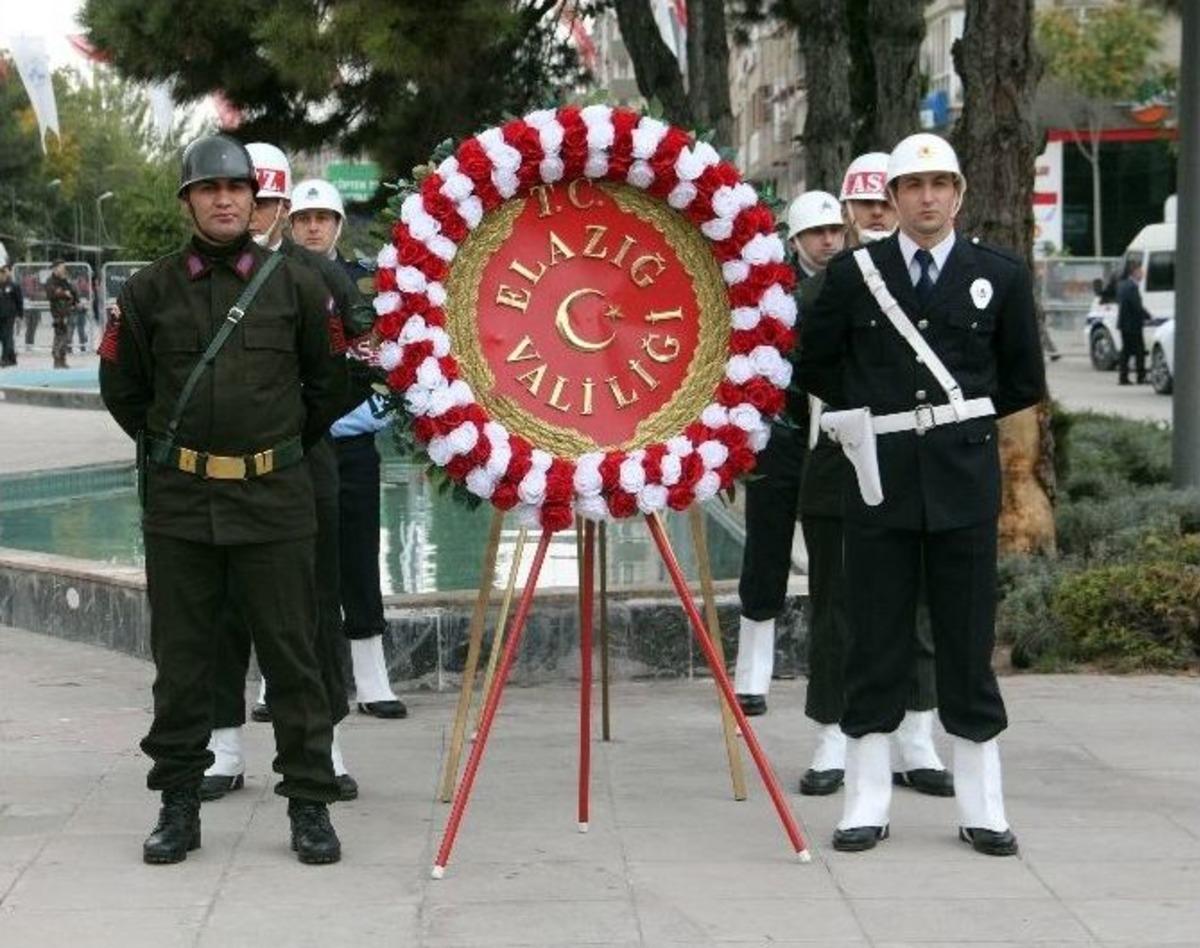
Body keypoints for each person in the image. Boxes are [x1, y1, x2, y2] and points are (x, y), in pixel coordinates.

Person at [98, 133, 348, 865]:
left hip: (274, 501)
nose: (225, 199)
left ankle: (309, 805)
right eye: (209, 189)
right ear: (188, 201)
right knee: (182, 665)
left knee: (294, 659)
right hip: (182, 505)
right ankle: (179, 803)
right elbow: (125, 390)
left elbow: (327, 386)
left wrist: (270, 451)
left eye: (237, 188)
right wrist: (181, 455)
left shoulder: (299, 285)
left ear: (256, 199)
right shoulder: (148, 290)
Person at [798, 133, 1045, 856]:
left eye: (940, 184)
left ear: (959, 193)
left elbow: (1021, 376)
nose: (927, 197)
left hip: (964, 484)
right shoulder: (855, 274)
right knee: (874, 637)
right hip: (878, 483)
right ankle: (867, 799)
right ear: (894, 198)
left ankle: (982, 805)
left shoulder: (996, 274)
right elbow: (816, 364)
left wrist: (947, 423)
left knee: (966, 640)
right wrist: (881, 420)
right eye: (913, 186)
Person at [200, 146, 379, 803]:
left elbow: (362, 362)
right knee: (221, 611)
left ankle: (322, 743)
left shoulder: (320, 277)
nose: (260, 215)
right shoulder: (194, 273)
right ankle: (222, 746)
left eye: (271, 204)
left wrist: (298, 427)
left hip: (303, 470)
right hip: (216, 475)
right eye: (255, 202)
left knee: (311, 608)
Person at [796, 153, 952, 798]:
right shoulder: (830, 285)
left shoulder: (945, 281)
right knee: (838, 604)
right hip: (841, 458)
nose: (877, 217)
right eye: (864, 208)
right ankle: (834, 730)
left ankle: (917, 731)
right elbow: (810, 368)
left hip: (923, 463)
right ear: (849, 213)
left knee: (919, 603)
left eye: (884, 205)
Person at [291, 177, 408, 719]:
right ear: (290, 225)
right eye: (303, 218)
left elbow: (387, 364)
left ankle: (371, 675)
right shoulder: (274, 283)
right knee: (287, 563)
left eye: (322, 218)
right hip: (292, 448)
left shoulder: (367, 287)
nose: (313, 227)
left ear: (338, 225)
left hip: (353, 444)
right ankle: (280, 677)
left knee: (359, 555)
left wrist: (372, 415)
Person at [733, 190, 842, 717]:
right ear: (795, 239)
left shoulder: (851, 284)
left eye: (834, 231)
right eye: (817, 233)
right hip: (780, 434)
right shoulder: (771, 289)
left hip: (834, 434)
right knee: (766, 549)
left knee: (833, 556)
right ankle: (751, 673)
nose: (828, 240)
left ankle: (832, 668)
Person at [1116, 259, 1151, 385]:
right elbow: (1136, 305)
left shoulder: (1122, 285)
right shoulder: (1132, 287)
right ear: (1134, 272)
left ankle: (1123, 377)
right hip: (1132, 324)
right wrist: (1147, 316)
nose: (1142, 274)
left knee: (1126, 351)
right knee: (1139, 351)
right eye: (1140, 271)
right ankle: (1141, 376)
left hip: (1124, 324)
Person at [44, 259, 78, 368]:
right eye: (61, 267)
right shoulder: (50, 281)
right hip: (57, 313)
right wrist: (64, 293)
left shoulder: (65, 280)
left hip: (67, 311)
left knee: (66, 336)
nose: (64, 269)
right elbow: (51, 294)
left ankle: (63, 358)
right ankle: (57, 359)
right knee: (59, 335)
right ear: (55, 268)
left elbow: (73, 293)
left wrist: (68, 288)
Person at [0, 264, 23, 367]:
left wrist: (20, 315)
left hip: (9, 316)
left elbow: (19, 301)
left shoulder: (14, 286)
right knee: (3, 337)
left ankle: (5, 358)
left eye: (3, 272)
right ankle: (12, 358)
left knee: (7, 337)